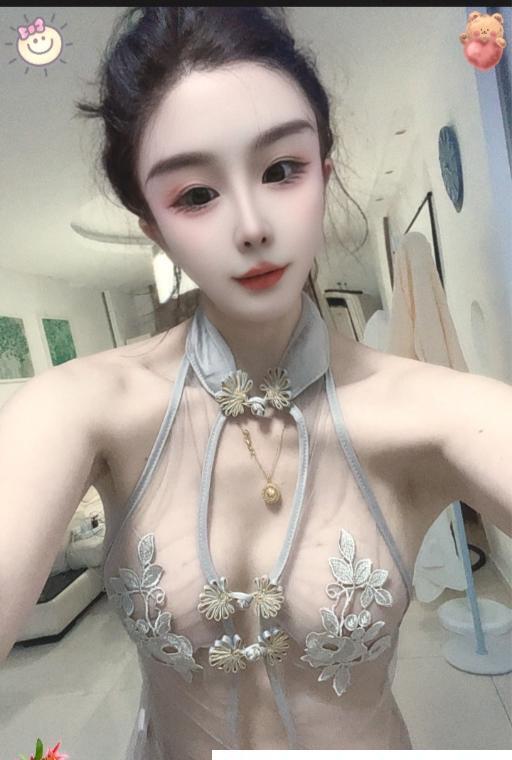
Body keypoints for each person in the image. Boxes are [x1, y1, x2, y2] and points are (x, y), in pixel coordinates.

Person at [1, 7, 511, 758]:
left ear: (324, 176)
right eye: (194, 195)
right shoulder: (79, 407)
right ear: (154, 227)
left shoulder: (434, 411)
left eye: (281, 170)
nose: (251, 225)